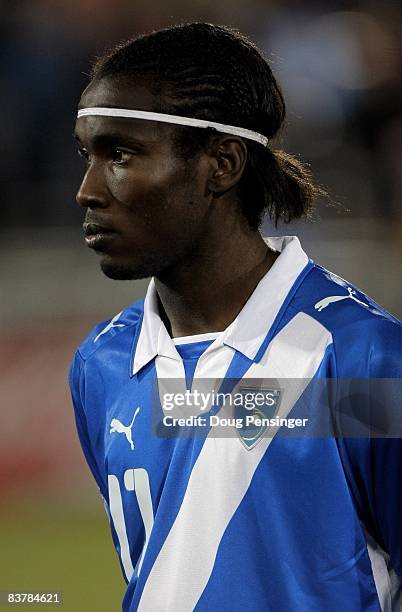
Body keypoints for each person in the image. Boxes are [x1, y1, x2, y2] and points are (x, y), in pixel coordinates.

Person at [70, 22, 402, 611]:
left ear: (221, 164)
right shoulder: (103, 363)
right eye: (87, 155)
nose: (88, 190)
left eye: (121, 154)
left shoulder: (362, 360)